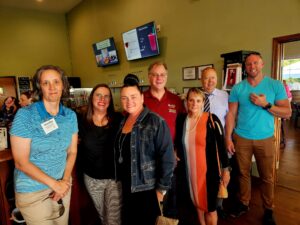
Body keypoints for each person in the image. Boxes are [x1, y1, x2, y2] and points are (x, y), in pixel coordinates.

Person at [225, 52, 291, 225]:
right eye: (248, 64)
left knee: (267, 177)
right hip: (241, 138)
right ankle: (244, 203)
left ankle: (268, 209)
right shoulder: (238, 88)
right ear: (245, 68)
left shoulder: (275, 85)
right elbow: (231, 114)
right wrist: (228, 138)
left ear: (262, 64)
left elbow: (287, 112)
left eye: (255, 63)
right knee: (243, 173)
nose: (252, 66)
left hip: (265, 139)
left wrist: (266, 104)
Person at [10, 65, 78, 225]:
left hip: (63, 186)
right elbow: (21, 162)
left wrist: (64, 181)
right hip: (33, 191)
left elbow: (72, 151)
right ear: (40, 87)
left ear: (63, 85)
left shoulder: (70, 116)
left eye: (56, 82)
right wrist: (55, 184)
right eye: (46, 83)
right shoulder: (25, 115)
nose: (52, 87)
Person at [115, 74, 175, 225]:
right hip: (128, 186)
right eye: (124, 98)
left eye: (133, 96)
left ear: (142, 98)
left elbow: (167, 159)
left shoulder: (155, 122)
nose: (129, 102)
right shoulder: (122, 121)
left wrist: (161, 190)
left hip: (147, 189)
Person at [175, 88, 230, 225]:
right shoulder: (182, 119)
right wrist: (176, 151)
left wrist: (226, 170)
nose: (194, 104)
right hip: (189, 173)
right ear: (186, 102)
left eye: (198, 101)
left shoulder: (212, 120)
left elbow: (222, 148)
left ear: (203, 102)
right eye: (191, 100)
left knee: (210, 208)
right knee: (197, 203)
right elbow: (178, 140)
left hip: (208, 174)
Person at [143, 61, 185, 218]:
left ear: (166, 77)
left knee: (170, 198)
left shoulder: (176, 100)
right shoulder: (140, 99)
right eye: (155, 75)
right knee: (150, 199)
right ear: (149, 77)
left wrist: (176, 150)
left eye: (162, 75)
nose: (159, 78)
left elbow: (181, 129)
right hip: (147, 158)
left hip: (170, 158)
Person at [77, 83, 123, 225]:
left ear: (110, 100)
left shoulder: (119, 119)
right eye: (98, 95)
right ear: (92, 98)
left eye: (106, 96)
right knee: (102, 216)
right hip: (92, 179)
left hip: (114, 178)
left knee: (113, 218)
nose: (102, 99)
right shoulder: (81, 120)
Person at [200, 67, 229, 218]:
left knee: (221, 174)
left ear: (217, 79)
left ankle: (219, 205)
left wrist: (229, 139)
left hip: (220, 142)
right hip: (201, 143)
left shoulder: (225, 96)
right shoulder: (196, 96)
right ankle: (204, 201)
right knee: (206, 174)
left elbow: (230, 119)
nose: (209, 81)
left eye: (212, 78)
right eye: (206, 78)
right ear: (201, 80)